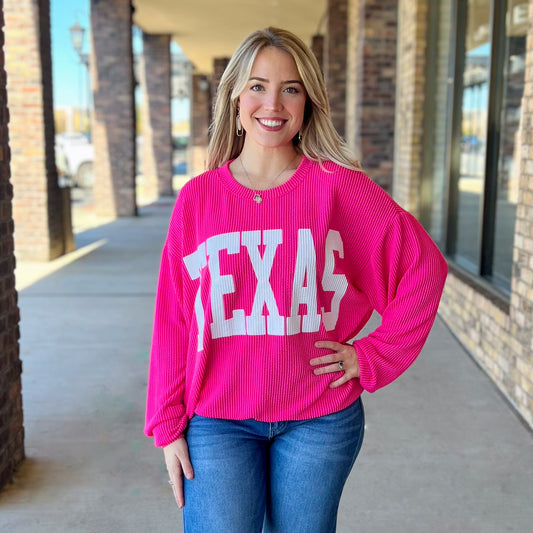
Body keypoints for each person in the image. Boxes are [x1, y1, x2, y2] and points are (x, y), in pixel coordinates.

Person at [144, 27, 448, 533]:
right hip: (218, 420)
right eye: (258, 85)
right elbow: (175, 318)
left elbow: (422, 269)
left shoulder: (340, 189)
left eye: (291, 88)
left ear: (308, 100)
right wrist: (167, 423)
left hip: (319, 418)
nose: (274, 103)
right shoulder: (197, 200)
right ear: (236, 96)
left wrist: (370, 354)